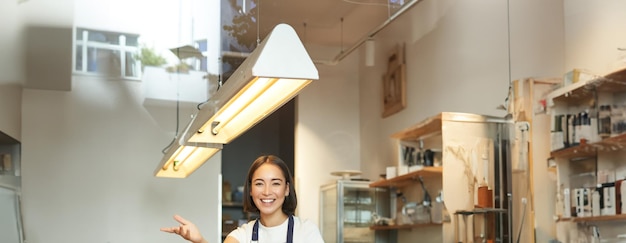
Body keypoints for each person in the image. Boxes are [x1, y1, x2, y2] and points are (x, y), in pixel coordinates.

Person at [161, 155, 325, 243]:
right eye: (259, 184)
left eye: (275, 183)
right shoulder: (243, 235)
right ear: (251, 190)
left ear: (287, 189)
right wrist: (199, 240)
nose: (267, 192)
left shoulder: (306, 231)